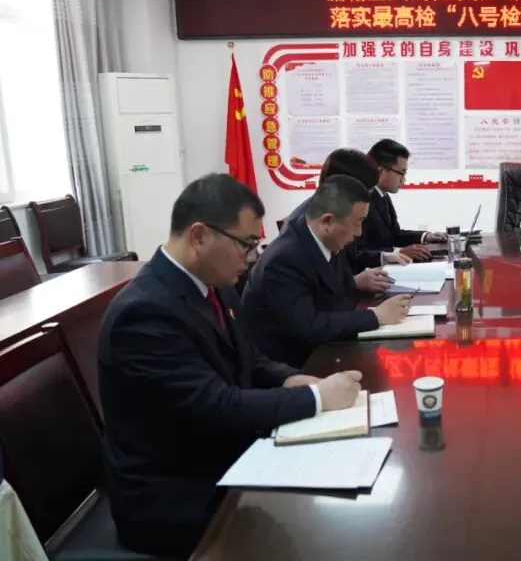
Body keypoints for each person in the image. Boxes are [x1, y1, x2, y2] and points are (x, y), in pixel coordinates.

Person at [98, 174, 366, 556]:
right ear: (199, 236)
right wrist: (316, 398)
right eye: (246, 243)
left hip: (222, 454)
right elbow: (214, 406)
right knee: (318, 534)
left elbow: (249, 358)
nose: (252, 256)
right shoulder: (143, 314)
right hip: (175, 493)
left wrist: (292, 379)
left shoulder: (214, 283)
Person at [241, 175, 411, 367]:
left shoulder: (330, 240)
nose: (359, 233)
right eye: (358, 222)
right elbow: (309, 327)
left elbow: (340, 294)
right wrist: (376, 316)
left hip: (329, 348)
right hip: (294, 367)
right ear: (327, 221)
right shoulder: (284, 259)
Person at [282, 148, 410, 291]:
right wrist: (353, 283)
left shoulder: (338, 212)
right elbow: (314, 290)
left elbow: (350, 256)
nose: (358, 232)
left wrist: (382, 257)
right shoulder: (307, 226)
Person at [364, 139, 446, 261]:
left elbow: (395, 235)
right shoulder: (362, 200)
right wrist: (399, 252)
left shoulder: (383, 196)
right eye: (401, 173)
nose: (403, 180)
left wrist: (426, 236)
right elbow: (361, 249)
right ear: (381, 171)